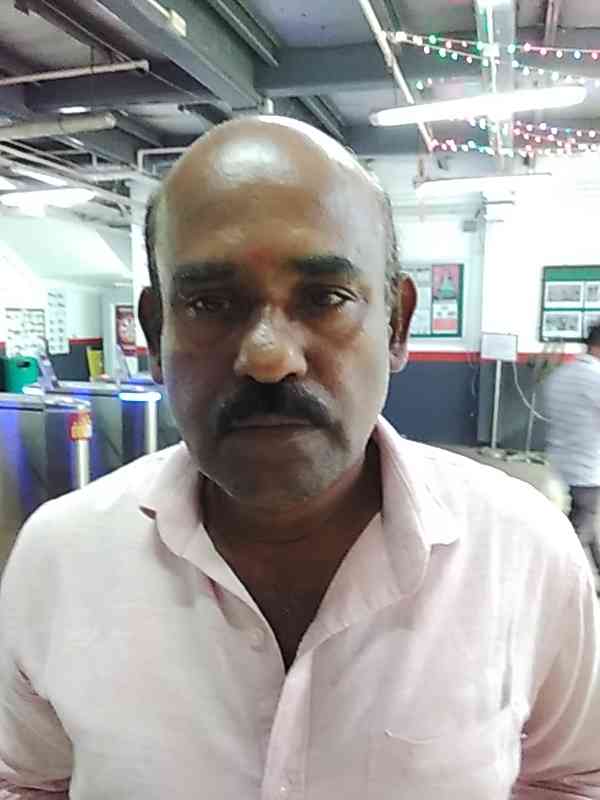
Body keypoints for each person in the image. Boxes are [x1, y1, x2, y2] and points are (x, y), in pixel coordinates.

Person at [0, 117, 599, 799]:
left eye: (325, 299)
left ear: (396, 324)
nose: (268, 357)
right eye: (209, 302)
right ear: (157, 331)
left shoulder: (523, 554)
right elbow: (27, 783)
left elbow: (571, 777)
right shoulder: (59, 560)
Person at [545, 324, 600, 587]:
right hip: (588, 465)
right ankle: (557, 581)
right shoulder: (596, 377)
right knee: (581, 525)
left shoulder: (562, 374)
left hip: (560, 462)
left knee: (583, 518)